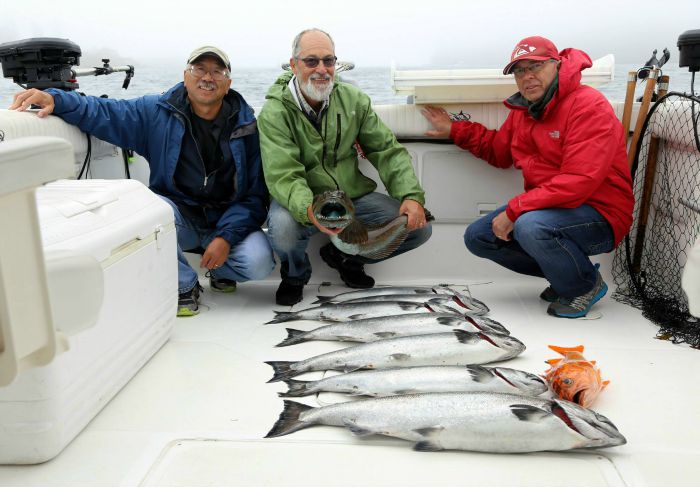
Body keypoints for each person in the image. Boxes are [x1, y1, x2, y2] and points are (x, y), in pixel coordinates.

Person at [10, 46, 274, 317]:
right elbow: (106, 112)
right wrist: (58, 99)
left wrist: (225, 237)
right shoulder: (157, 112)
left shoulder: (247, 127)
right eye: (199, 69)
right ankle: (185, 285)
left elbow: (254, 197)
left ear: (228, 83)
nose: (208, 77)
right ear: (185, 76)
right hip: (178, 218)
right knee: (148, 203)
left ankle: (218, 269)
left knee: (259, 263)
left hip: (224, 219)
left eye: (217, 71)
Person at [421, 36, 634, 319]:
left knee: (530, 226)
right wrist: (455, 130)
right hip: (550, 210)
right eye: (520, 71)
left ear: (557, 65)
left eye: (535, 66)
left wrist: (515, 210)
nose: (527, 77)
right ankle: (567, 276)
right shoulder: (525, 112)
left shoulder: (588, 105)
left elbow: (579, 180)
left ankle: (582, 285)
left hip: (601, 214)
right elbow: (499, 151)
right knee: (479, 237)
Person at [258, 28, 432, 306]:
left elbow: (386, 150)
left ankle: (345, 258)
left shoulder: (354, 100)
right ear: (293, 65)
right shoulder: (274, 112)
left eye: (328, 60)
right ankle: (294, 275)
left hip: (350, 195)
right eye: (311, 61)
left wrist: (411, 196)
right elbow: (283, 174)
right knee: (282, 227)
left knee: (418, 228)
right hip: (303, 199)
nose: (322, 69)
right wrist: (310, 209)